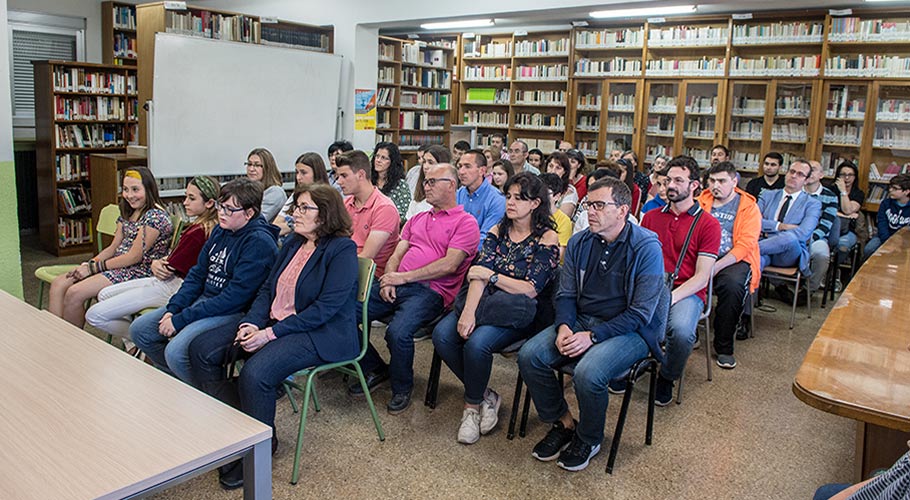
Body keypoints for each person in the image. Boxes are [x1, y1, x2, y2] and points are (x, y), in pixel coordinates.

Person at [188, 183, 359, 490]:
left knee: (256, 374)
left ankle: (258, 450)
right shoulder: (293, 242)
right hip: (272, 321)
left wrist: (268, 334)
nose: (296, 214)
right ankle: (243, 427)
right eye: (296, 207)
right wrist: (250, 323)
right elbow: (267, 288)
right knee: (202, 349)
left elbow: (325, 309)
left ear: (327, 214)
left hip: (319, 333)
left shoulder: (341, 249)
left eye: (304, 208)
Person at [518, 176, 670, 472]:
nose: (590, 211)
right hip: (583, 320)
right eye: (589, 204)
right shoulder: (579, 242)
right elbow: (566, 294)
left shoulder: (646, 247)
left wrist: (593, 336)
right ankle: (563, 423)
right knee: (530, 355)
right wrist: (564, 326)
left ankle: (589, 437)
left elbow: (641, 313)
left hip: (632, 330)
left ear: (623, 210)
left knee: (588, 374)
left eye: (600, 205)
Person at [433, 173, 559, 444]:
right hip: (486, 302)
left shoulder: (547, 238)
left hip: (520, 310)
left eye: (518, 198)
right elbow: (478, 274)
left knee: (477, 343)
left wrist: (492, 277)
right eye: (508, 196)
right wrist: (468, 312)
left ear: (536, 203)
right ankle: (486, 395)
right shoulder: (497, 230)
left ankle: (471, 408)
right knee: (443, 335)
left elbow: (530, 288)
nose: (510, 203)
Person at [354, 164, 480, 414]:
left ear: (452, 185)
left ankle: (402, 388)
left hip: (432, 292)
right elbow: (397, 252)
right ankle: (376, 367)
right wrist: (390, 276)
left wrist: (402, 278)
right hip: (399, 283)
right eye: (425, 181)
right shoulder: (418, 218)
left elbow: (449, 265)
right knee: (344, 313)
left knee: (397, 332)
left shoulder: (466, 223)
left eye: (433, 181)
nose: (426, 186)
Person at [130, 178, 279, 384]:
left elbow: (233, 298)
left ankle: (207, 397)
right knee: (140, 330)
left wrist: (181, 319)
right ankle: (183, 382)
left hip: (232, 310)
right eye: (220, 206)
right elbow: (197, 275)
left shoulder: (259, 243)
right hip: (205, 301)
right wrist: (174, 309)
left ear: (249, 213)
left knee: (175, 352)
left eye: (229, 209)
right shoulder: (221, 230)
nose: (221, 213)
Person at [86, 176, 220, 342]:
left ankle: (141, 339)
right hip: (168, 278)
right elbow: (172, 258)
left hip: (174, 285)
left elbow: (168, 269)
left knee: (93, 316)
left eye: (191, 198)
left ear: (209, 203)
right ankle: (134, 345)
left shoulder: (199, 232)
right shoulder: (201, 226)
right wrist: (157, 262)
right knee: (105, 294)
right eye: (186, 196)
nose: (185, 202)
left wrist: (160, 264)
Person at [48, 167, 173, 328]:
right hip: (115, 265)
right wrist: (89, 264)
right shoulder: (128, 212)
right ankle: (53, 336)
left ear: (148, 189)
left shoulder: (155, 216)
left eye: (136, 189)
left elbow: (133, 257)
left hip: (137, 271)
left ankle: (70, 344)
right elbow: (113, 247)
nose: (129, 195)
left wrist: (94, 269)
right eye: (126, 189)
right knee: (59, 284)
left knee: (74, 293)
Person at [641, 155, 720, 405]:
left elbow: (702, 277)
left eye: (678, 180)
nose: (670, 186)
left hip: (686, 290)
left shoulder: (709, 224)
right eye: (667, 180)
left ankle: (667, 375)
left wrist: (669, 298)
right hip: (651, 285)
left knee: (683, 332)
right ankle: (627, 364)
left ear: (694, 185)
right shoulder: (651, 217)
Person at [696, 162, 761, 369]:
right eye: (712, 180)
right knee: (677, 275)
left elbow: (745, 246)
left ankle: (724, 346)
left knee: (733, 286)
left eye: (722, 181)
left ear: (734, 181)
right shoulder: (700, 201)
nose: (716, 185)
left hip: (732, 259)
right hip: (701, 256)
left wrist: (714, 267)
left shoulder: (748, 206)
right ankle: (688, 332)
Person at [335, 150, 400, 275]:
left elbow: (366, 257)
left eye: (344, 176)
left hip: (369, 277)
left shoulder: (384, 208)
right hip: (345, 266)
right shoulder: (346, 204)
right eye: (338, 177)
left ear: (360, 175)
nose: (339, 181)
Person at [756, 159, 821, 272]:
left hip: (787, 254)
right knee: (756, 262)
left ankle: (745, 249)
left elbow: (803, 233)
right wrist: (780, 226)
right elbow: (753, 221)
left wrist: (768, 232)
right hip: (764, 249)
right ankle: (751, 290)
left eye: (800, 174)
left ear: (806, 181)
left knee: (790, 238)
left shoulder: (812, 204)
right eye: (792, 171)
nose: (794, 176)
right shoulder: (767, 195)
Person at [796, 160, 840, 298]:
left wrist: (809, 238)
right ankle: (781, 286)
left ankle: (809, 289)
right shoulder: (795, 191)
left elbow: (826, 224)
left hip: (816, 237)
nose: (809, 173)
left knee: (821, 254)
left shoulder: (830, 196)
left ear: (821, 175)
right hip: (793, 234)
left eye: (813, 169)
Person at [457, 149, 505, 250]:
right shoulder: (459, 193)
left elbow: (486, 238)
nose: (461, 172)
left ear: (482, 171)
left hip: (477, 254)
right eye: (460, 166)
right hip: (454, 247)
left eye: (467, 166)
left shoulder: (497, 200)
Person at [274, 152, 331, 237]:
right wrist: (294, 225)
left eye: (303, 173)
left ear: (316, 173)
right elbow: (276, 227)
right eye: (297, 172)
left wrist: (290, 225)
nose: (298, 177)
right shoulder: (296, 195)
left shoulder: (328, 197)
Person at [865, 173, 910, 257]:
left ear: (906, 191)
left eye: (895, 189)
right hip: (885, 236)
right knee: (869, 249)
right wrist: (888, 242)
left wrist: (899, 243)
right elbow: (882, 223)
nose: (890, 190)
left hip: (904, 240)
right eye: (890, 187)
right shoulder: (885, 204)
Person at [831, 161, 866, 261]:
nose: (846, 178)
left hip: (849, 230)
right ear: (838, 176)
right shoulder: (830, 190)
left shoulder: (858, 194)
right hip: (830, 227)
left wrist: (843, 192)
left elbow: (847, 210)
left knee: (843, 246)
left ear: (855, 177)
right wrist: (845, 216)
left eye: (850, 175)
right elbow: (826, 210)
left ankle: (832, 272)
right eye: (843, 174)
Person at [406, 145, 451, 220]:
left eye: (430, 162)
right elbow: (408, 224)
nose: (425, 166)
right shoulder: (418, 197)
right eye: (424, 162)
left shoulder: (450, 197)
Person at [371, 141, 410, 225]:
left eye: (383, 158)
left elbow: (403, 215)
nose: (378, 160)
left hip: (390, 226)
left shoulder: (400, 185)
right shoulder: (368, 181)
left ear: (392, 162)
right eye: (377, 156)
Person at [245, 147, 286, 222]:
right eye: (249, 164)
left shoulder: (275, 192)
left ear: (267, 168)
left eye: (257, 165)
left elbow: (255, 220)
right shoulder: (247, 190)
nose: (251, 169)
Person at [539, 173, 573, 261]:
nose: (540, 197)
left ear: (557, 196)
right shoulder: (530, 213)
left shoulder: (564, 221)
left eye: (545, 193)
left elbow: (559, 255)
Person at [546, 151, 580, 217]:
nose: (553, 171)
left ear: (565, 172)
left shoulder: (570, 190)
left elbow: (563, 217)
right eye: (550, 166)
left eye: (558, 168)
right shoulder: (538, 184)